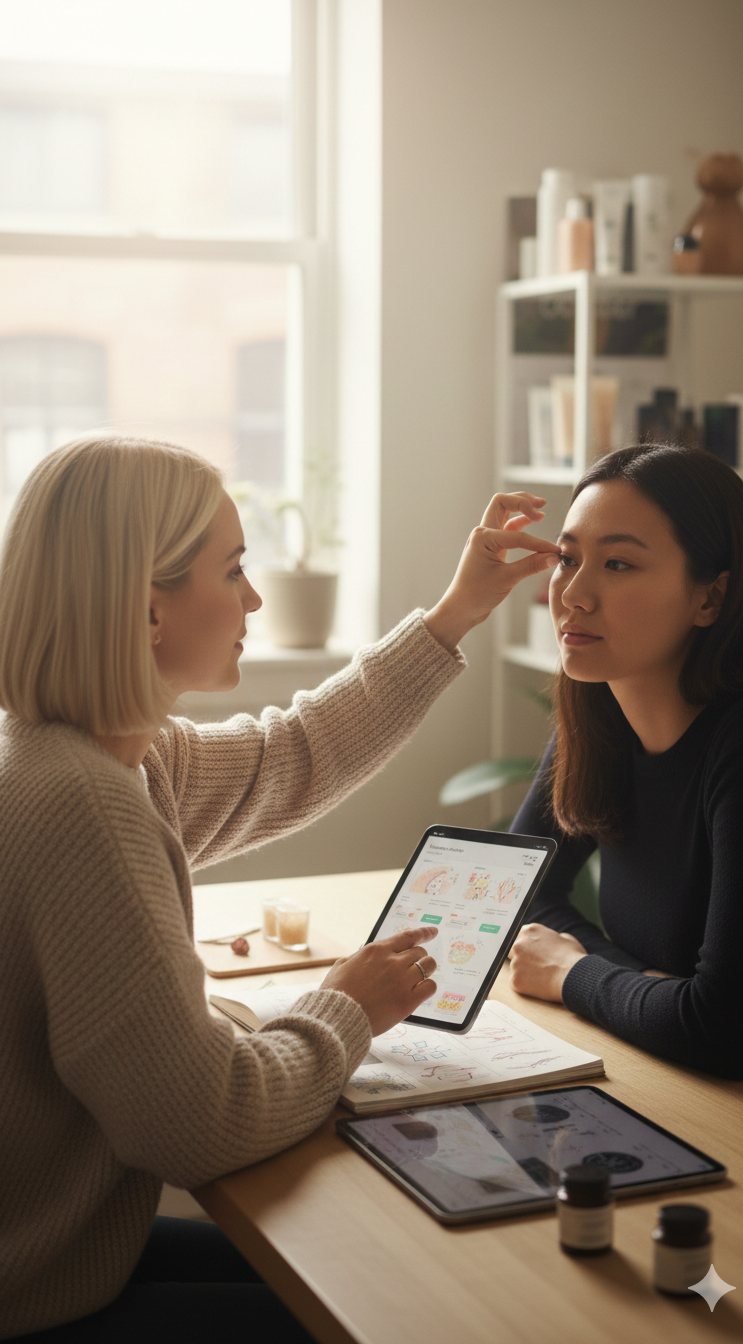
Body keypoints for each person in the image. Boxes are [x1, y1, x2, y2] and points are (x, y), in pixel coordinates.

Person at [0, 434, 560, 1342]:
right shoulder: (83, 805)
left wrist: (456, 612)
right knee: (393, 1307)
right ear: (148, 611)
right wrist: (344, 1008)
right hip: (37, 1296)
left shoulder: (88, 753)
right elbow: (197, 1126)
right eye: (232, 571)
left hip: (59, 1258)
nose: (254, 597)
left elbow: (292, 755)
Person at [508, 442, 743, 1081]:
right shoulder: (600, 708)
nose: (573, 595)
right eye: (567, 559)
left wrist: (574, 973)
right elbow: (516, 887)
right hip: (670, 1078)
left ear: (711, 598)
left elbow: (724, 1033)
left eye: (619, 563)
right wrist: (636, 986)